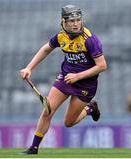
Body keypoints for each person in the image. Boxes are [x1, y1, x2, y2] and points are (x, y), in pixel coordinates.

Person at [20, 4, 107, 154]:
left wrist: (78, 76)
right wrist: (29, 68)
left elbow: (102, 66)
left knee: (68, 122)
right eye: (71, 21)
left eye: (78, 20)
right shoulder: (61, 36)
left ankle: (90, 109)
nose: (75, 24)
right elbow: (46, 49)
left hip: (86, 84)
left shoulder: (90, 39)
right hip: (66, 78)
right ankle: (34, 148)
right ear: (63, 22)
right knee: (47, 111)